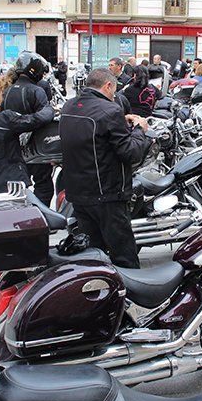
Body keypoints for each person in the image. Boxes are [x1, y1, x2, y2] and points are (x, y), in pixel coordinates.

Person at [59, 68, 150, 268]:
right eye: (113, 91)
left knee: (93, 254)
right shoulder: (110, 110)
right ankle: (128, 294)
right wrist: (140, 130)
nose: (114, 96)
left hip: (78, 193)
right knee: (124, 254)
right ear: (108, 86)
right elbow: (132, 153)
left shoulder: (69, 106)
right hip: (107, 195)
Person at [2, 51, 56, 206]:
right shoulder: (36, 91)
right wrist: (50, 111)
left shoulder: (6, 90)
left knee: (17, 186)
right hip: (34, 147)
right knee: (44, 184)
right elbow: (45, 116)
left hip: (11, 147)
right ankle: (40, 216)